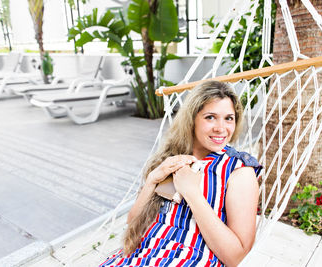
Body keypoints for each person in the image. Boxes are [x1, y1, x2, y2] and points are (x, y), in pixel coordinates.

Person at [100, 81, 262, 267]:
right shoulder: (172, 158)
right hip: (141, 255)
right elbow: (133, 221)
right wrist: (153, 179)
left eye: (229, 118)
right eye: (210, 117)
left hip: (188, 260)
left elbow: (236, 258)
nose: (221, 128)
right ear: (192, 119)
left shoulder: (238, 170)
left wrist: (192, 194)